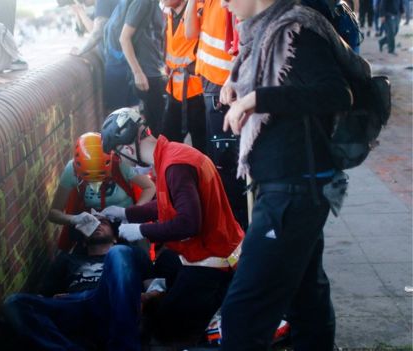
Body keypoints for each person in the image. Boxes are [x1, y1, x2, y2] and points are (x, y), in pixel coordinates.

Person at [216, 0, 370, 347]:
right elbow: (284, 83)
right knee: (307, 300)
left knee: (243, 311)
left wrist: (255, 98)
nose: (223, 2)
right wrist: (234, 85)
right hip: (292, 185)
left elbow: (336, 94)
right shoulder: (265, 31)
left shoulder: (296, 29)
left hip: (294, 189)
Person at [99, 108, 244, 341]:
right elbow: (167, 204)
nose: (124, 162)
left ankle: (215, 312)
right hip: (211, 253)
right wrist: (126, 213)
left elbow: (188, 224)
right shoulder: (172, 154)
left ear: (127, 148)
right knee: (165, 263)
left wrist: (139, 230)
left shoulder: (175, 167)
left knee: (162, 331)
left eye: (120, 156)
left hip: (215, 266)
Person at [2, 215, 152, 350]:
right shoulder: (67, 259)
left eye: (103, 222)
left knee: (118, 252)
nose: (98, 224)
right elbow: (42, 297)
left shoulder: (130, 252)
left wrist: (138, 297)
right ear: (84, 241)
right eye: (92, 223)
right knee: (14, 302)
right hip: (75, 304)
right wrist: (52, 300)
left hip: (110, 300)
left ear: (114, 237)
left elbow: (156, 289)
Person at [185, 0, 249, 229]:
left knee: (227, 163)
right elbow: (190, 32)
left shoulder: (231, 5)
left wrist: (233, 81)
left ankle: (238, 227)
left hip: (224, 89)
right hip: (211, 86)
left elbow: (244, 43)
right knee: (219, 162)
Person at [49, 132, 155, 251]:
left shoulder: (120, 162)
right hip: (94, 227)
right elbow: (53, 213)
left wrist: (132, 212)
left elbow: (150, 187)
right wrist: (74, 219)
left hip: (126, 221)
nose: (96, 184)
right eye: (89, 180)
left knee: (140, 249)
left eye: (102, 177)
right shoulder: (71, 170)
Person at [160, 0, 208, 155]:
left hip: (197, 93)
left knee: (203, 149)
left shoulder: (200, 12)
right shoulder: (170, 14)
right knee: (167, 145)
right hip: (175, 90)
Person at [119, 0, 166, 137]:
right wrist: (137, 72)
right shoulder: (143, 2)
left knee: (161, 128)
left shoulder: (159, 4)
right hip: (147, 77)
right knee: (157, 131)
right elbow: (124, 38)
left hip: (157, 73)